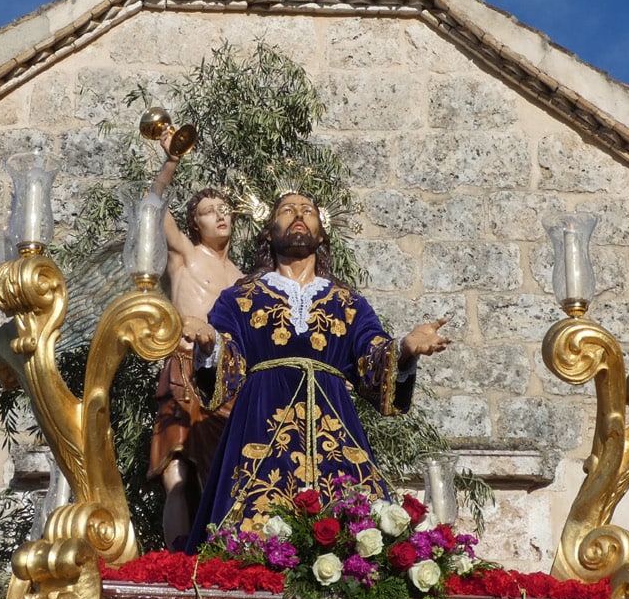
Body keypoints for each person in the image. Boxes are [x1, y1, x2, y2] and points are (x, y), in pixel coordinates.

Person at [181, 192, 450, 549]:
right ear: (268, 233)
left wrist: (403, 349)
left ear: (321, 234)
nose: (298, 216)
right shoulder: (240, 297)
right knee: (246, 537)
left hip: (334, 433)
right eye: (287, 211)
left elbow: (372, 357)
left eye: (308, 211)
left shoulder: (348, 302)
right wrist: (209, 341)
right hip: (260, 427)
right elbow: (227, 360)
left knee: (354, 531)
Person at [146, 136, 243, 551]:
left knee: (227, 476)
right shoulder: (185, 253)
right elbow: (152, 207)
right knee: (178, 472)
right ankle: (176, 559)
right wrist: (171, 161)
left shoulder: (243, 278)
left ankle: (223, 556)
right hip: (185, 365)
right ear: (194, 224)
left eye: (224, 210)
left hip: (228, 380)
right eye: (207, 211)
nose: (219, 216)